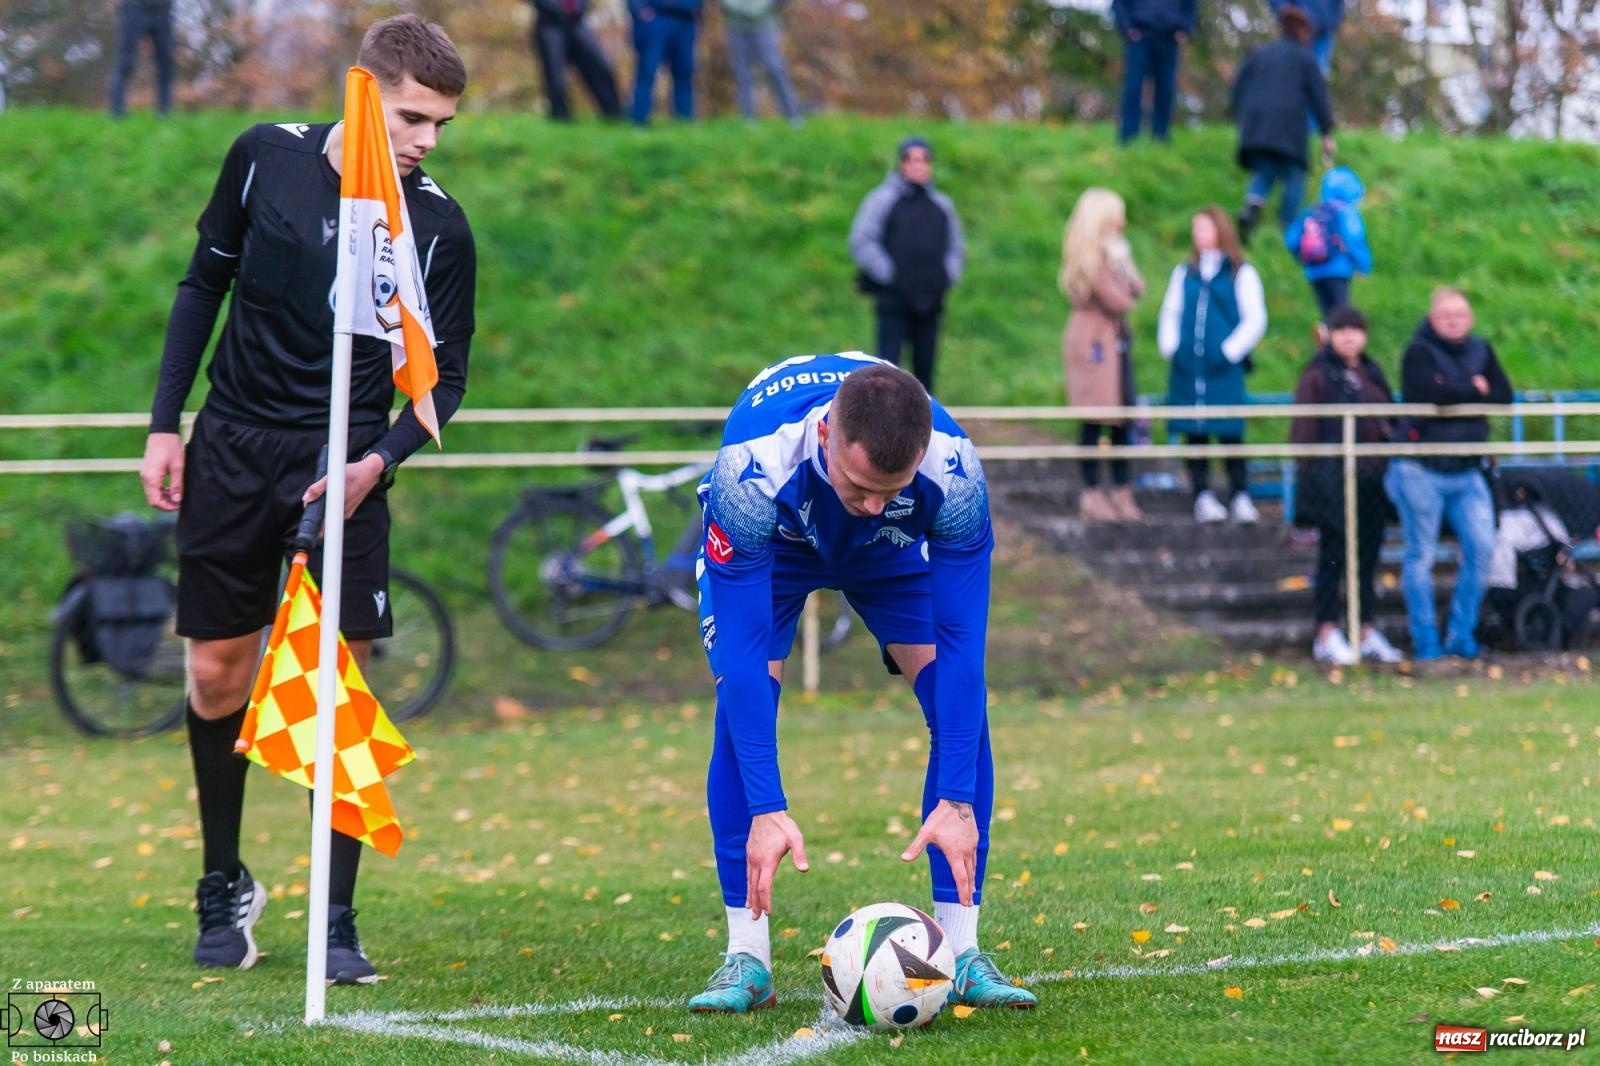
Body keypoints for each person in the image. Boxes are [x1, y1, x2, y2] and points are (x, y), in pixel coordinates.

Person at [138, 15, 476, 983]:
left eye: (442, 125)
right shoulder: (261, 161)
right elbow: (202, 285)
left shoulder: (440, 227)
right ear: (361, 92)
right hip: (235, 444)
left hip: (347, 462)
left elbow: (444, 381)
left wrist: (379, 461)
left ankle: (337, 916)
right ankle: (222, 884)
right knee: (216, 674)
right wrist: (168, 424)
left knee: (344, 690)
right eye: (413, 118)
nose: (426, 140)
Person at [688, 354, 1037, 1014]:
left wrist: (957, 799)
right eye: (858, 485)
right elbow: (739, 654)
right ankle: (746, 956)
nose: (872, 501)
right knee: (743, 708)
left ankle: (961, 951)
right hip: (779, 547)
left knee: (958, 709)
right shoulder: (752, 467)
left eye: (891, 486)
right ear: (825, 437)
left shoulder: (953, 471)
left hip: (891, 550)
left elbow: (963, 646)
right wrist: (767, 807)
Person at [1384, 288, 1512, 661]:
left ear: (1470, 319)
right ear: (1433, 318)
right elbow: (1428, 393)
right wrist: (1474, 390)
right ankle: (1426, 641)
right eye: (1446, 315)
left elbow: (1503, 395)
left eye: (1460, 314)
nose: (1454, 321)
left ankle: (1461, 633)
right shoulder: (1418, 352)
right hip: (1421, 469)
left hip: (1468, 470)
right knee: (1420, 554)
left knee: (1482, 548)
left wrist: (1458, 391)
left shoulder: (1481, 349)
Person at [1289, 305, 1403, 665]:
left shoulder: (1372, 373)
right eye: (1342, 330)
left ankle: (1365, 628)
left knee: (1368, 559)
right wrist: (1310, 477)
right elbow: (1304, 434)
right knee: (1333, 558)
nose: (1349, 337)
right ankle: (1326, 630)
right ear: (1330, 335)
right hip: (1331, 480)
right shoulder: (1317, 377)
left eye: (1356, 329)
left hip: (1371, 480)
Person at [1158, 206, 1267, 524]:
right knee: (1195, 431)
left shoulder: (1240, 272)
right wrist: (1172, 347)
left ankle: (1240, 494)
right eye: (1196, 229)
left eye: (1205, 228)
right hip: (1188, 367)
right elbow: (1171, 311)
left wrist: (1229, 351)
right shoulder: (1185, 272)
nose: (1199, 235)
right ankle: (1202, 494)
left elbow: (1255, 318)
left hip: (1222, 369)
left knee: (1231, 430)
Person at [848, 137, 966, 394]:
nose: (918, 165)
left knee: (926, 372)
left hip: (930, 301)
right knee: (886, 372)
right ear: (901, 163)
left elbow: (956, 246)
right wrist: (890, 275)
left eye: (924, 159)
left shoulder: (941, 204)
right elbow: (862, 240)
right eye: (911, 159)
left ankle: (926, 427)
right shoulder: (882, 200)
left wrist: (946, 276)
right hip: (893, 302)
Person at [1060, 188, 1146, 522]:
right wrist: (1123, 275)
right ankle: (1092, 493)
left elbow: (1136, 288)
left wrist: (1125, 266)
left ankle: (1122, 492)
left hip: (1115, 343)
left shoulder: (1113, 254)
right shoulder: (1091, 258)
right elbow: (1119, 300)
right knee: (1094, 418)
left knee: (1123, 416)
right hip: (1095, 346)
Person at [1231, 5, 1334, 244]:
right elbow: (1318, 97)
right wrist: (1327, 132)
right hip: (1289, 130)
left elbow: (1238, 87)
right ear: (1302, 32)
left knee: (1264, 171)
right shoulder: (1306, 59)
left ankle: (1252, 207)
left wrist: (1241, 117)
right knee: (1295, 176)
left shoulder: (1259, 53)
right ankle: (1287, 226)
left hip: (1256, 128)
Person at [1284, 166, 1371, 321]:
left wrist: (1301, 256)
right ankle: (1335, 341)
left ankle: (1326, 338)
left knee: (1327, 313)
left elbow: (1291, 238)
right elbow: (1354, 238)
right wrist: (1362, 265)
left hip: (1314, 270)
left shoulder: (1313, 210)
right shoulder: (1346, 211)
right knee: (1342, 314)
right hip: (1338, 269)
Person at [1111, 0, 1196, 144]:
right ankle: (1128, 136)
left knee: (1166, 88)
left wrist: (1185, 28)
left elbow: (1190, 5)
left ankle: (1160, 136)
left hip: (1169, 38)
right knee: (1133, 87)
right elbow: (1119, 4)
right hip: (1140, 36)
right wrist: (1127, 28)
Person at [528, 0, 623, 121]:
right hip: (550, 24)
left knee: (599, 65)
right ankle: (560, 117)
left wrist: (580, 7)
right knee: (555, 75)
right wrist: (551, 7)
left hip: (576, 22)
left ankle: (614, 114)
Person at [723, 0, 802, 123]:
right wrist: (739, 7)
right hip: (736, 25)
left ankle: (793, 115)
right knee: (743, 73)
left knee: (774, 67)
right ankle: (748, 119)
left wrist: (761, 6)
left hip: (764, 24)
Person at [629, 0, 701, 123]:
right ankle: (639, 118)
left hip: (684, 20)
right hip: (656, 18)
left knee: (684, 72)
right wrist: (640, 10)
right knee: (647, 71)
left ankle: (684, 117)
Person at [109, 0, 175, 117]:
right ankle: (116, 113)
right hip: (134, 7)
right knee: (126, 61)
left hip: (163, 10)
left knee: (166, 64)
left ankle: (165, 114)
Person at [1269, 0, 1345, 74]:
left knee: (1317, 73)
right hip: (1296, 29)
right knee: (1292, 71)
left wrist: (1333, 20)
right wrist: (1285, 10)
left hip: (1323, 30)